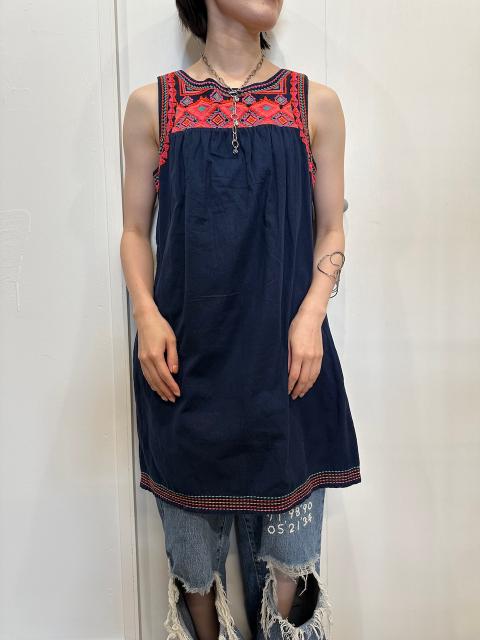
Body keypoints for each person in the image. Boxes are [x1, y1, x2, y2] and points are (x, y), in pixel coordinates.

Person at [120, 1, 361, 638]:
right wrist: (145, 312)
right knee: (196, 583)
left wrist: (312, 312)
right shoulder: (154, 106)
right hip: (184, 371)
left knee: (291, 585)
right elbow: (134, 231)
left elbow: (332, 226)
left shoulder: (314, 104)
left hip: (288, 370)